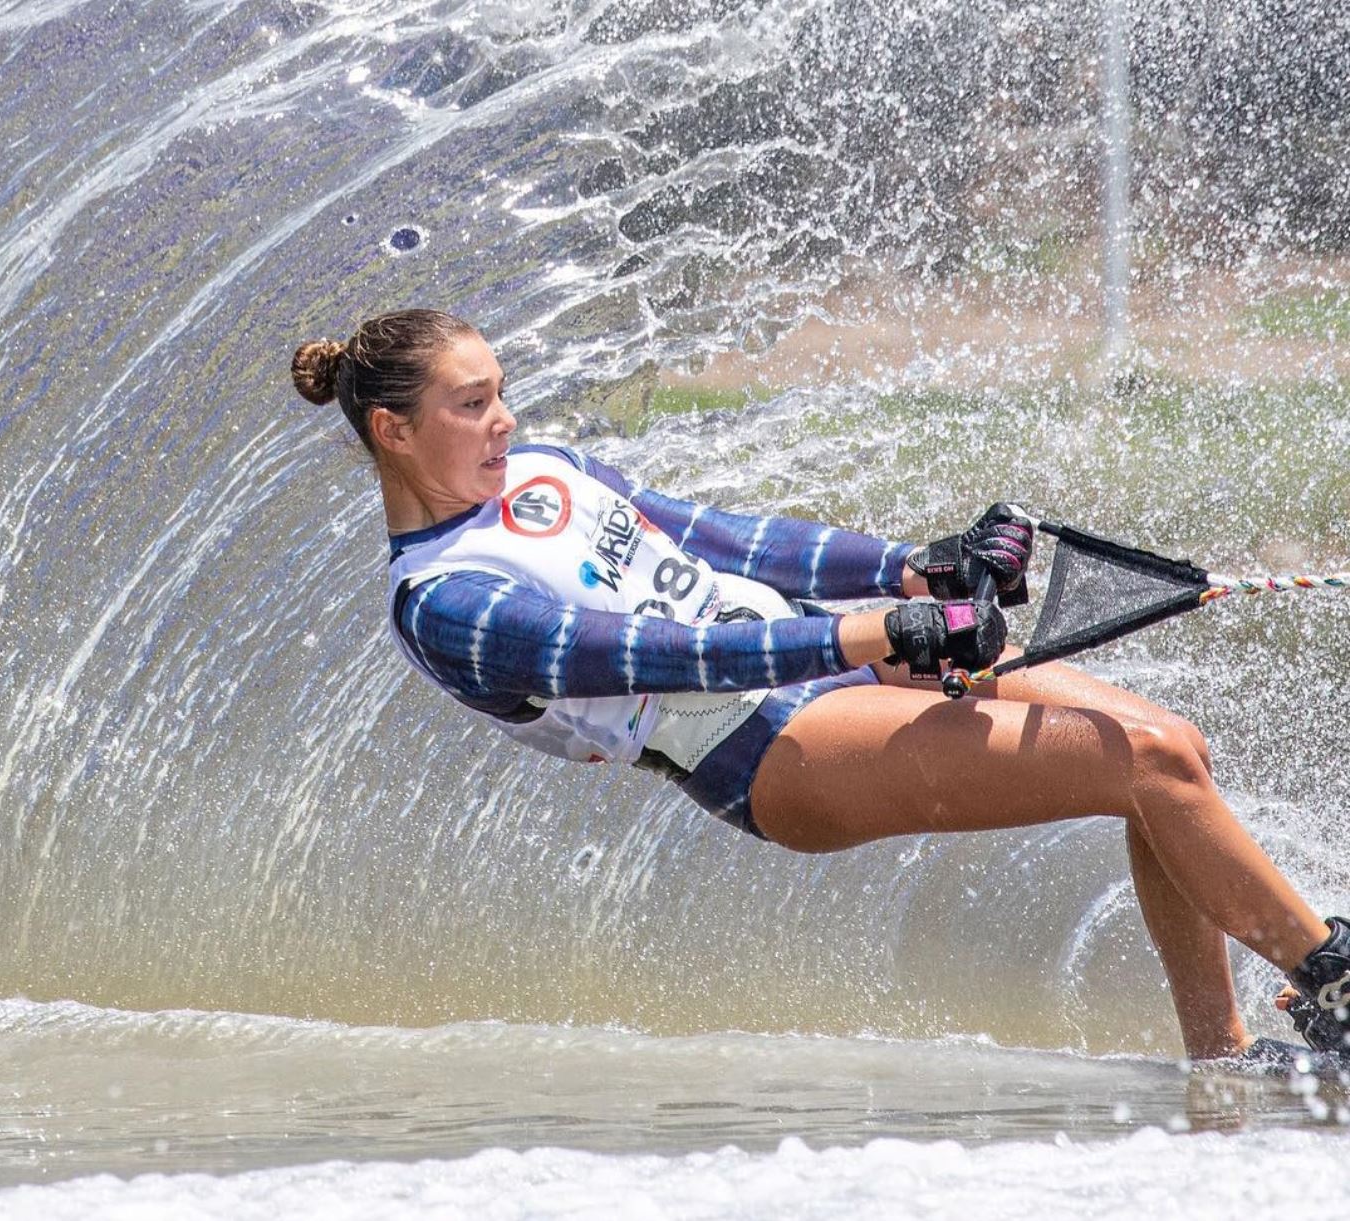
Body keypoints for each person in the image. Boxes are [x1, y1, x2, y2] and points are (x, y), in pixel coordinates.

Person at [290, 307, 1350, 1069]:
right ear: (394, 430)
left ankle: (1224, 1064)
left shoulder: (546, 473)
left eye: (502, 394)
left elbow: (728, 542)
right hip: (758, 745)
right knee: (1145, 765)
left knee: (1171, 746)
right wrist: (875, 629)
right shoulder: (445, 602)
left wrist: (908, 569)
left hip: (821, 654)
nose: (505, 421)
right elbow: (666, 654)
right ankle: (1335, 989)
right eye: (474, 406)